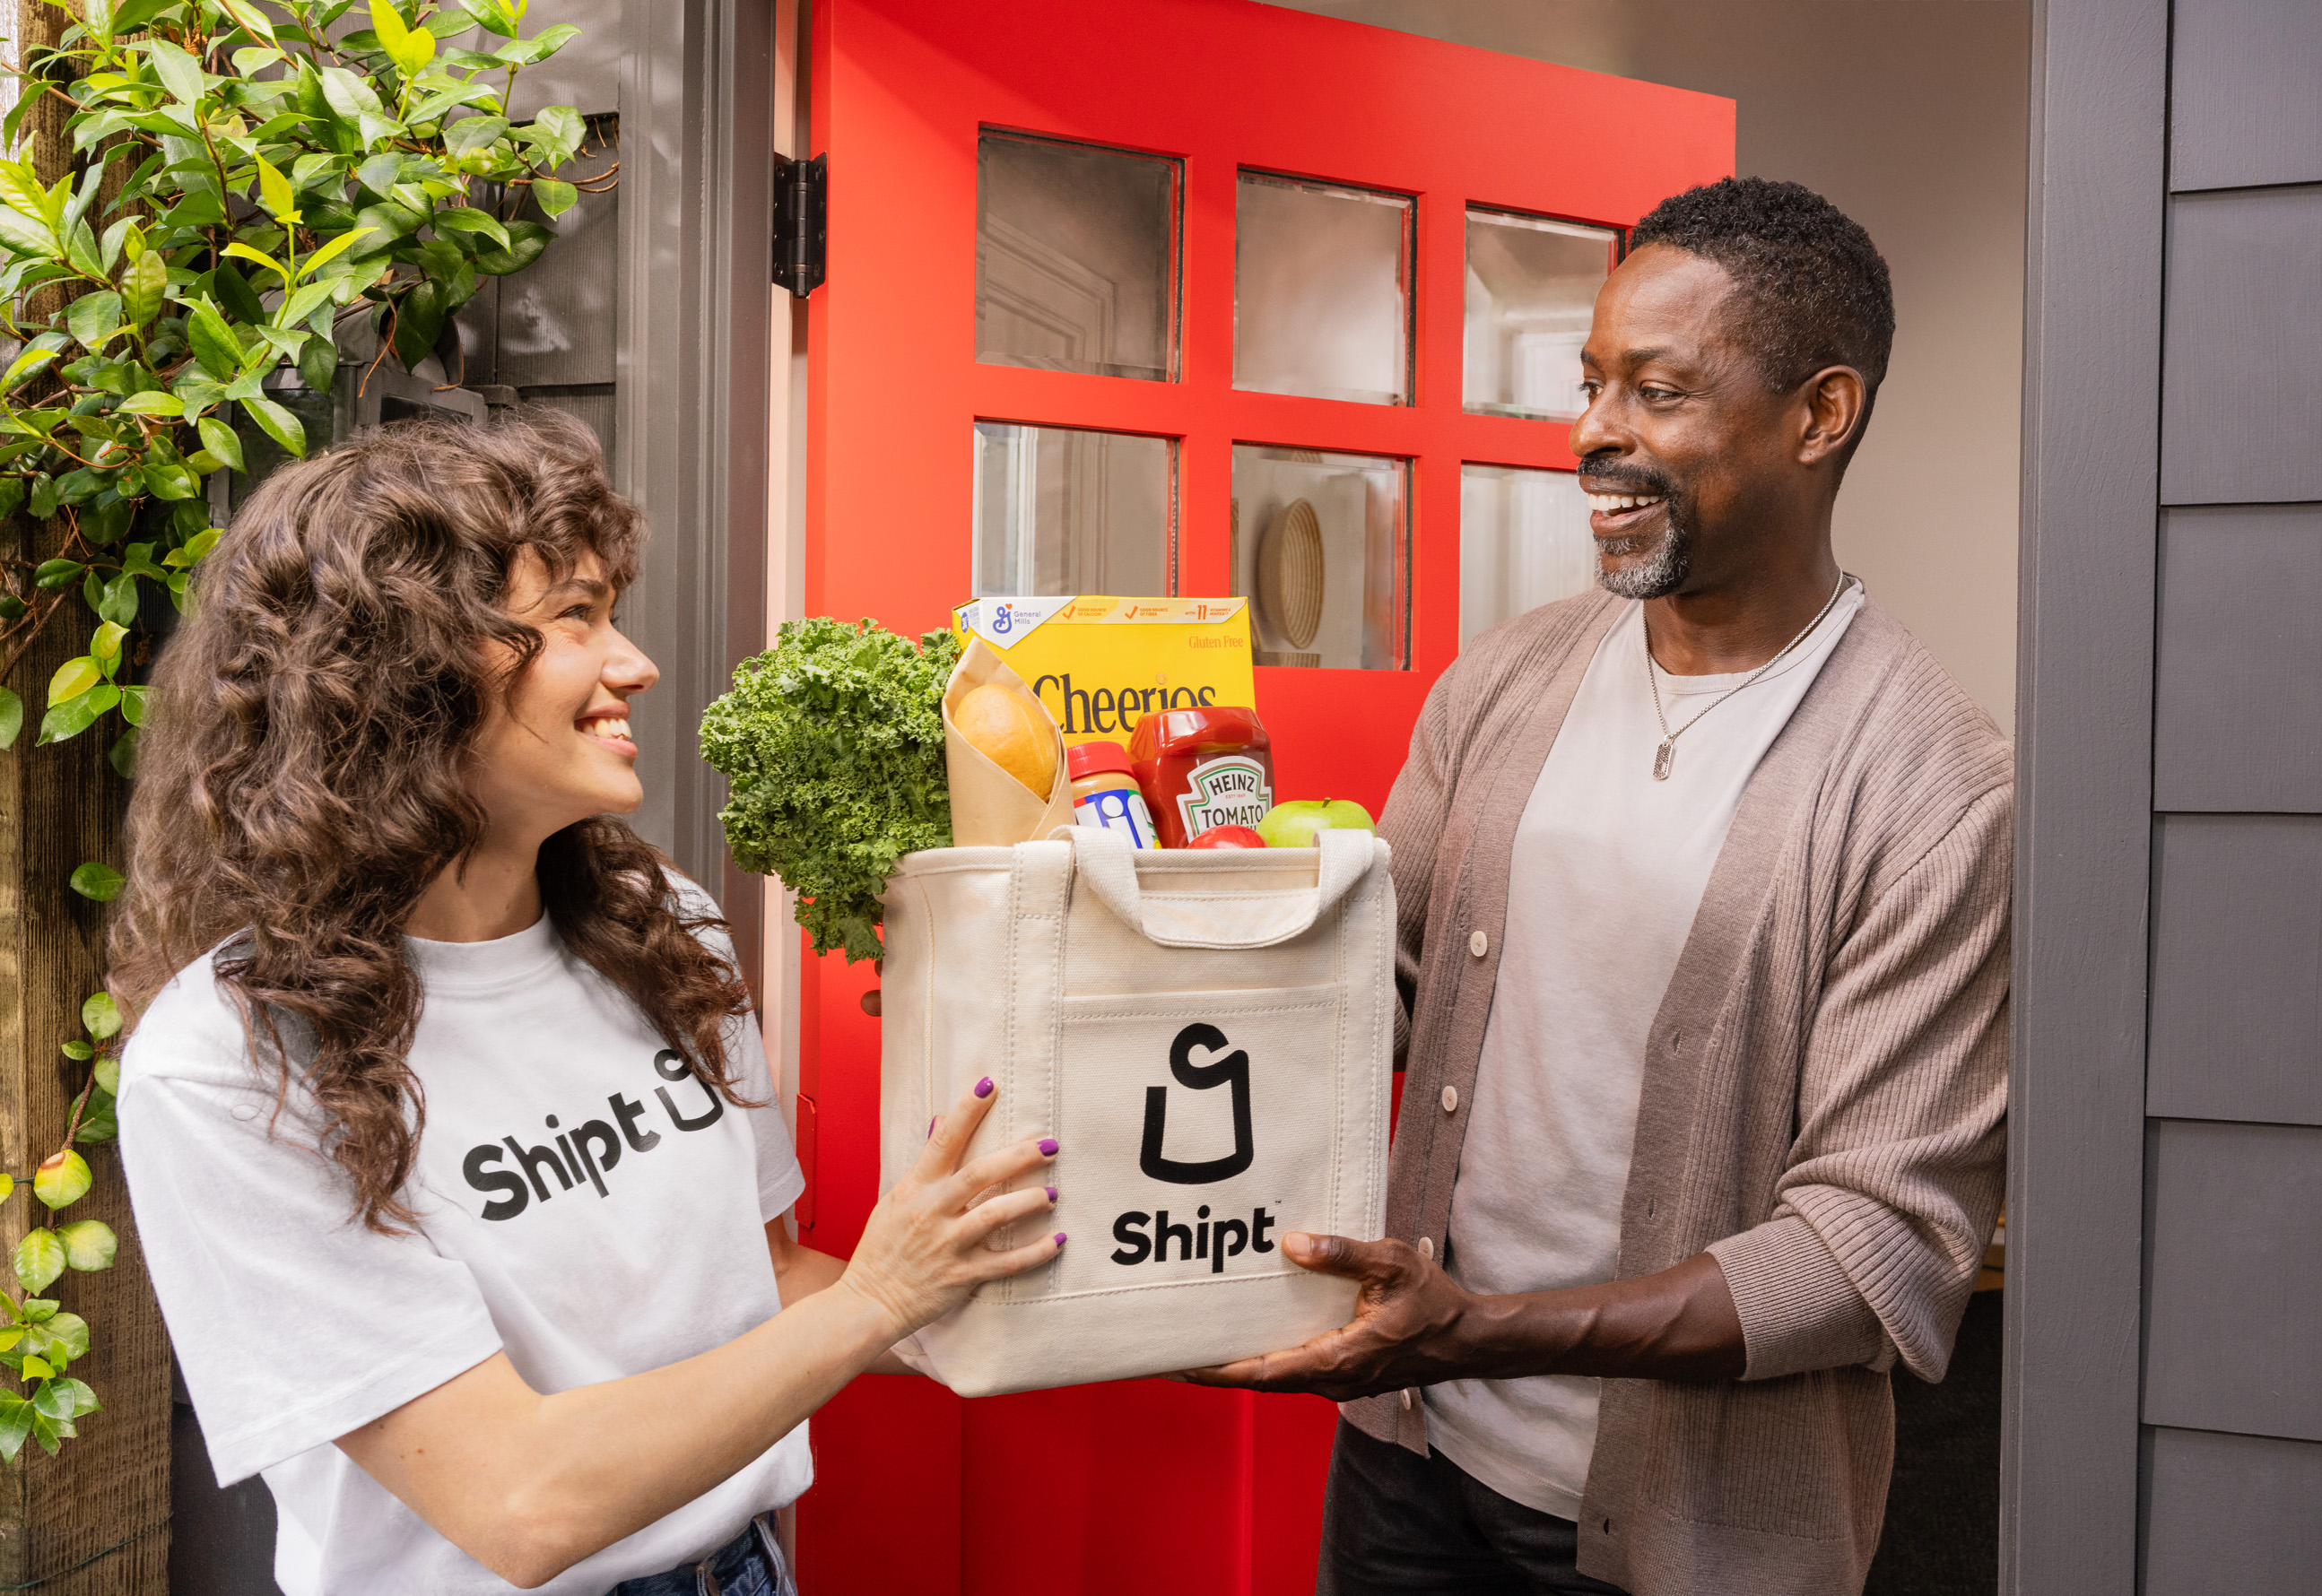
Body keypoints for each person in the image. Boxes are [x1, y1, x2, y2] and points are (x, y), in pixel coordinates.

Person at [1190, 178, 2011, 1596]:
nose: (1593, 435)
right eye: (1590, 384)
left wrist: (1485, 1329)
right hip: (1407, 1460)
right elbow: (1350, 993)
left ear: (1823, 415)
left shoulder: (1935, 789)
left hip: (1699, 1531)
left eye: (1659, 391)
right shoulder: (1504, 682)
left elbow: (1875, 1245)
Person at [111, 412, 1061, 1595]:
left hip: (742, 1571)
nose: (635, 663)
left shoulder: (659, 923)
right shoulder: (230, 1061)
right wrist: (880, 1294)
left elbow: (757, 1286)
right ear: (402, 667)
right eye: (574, 617)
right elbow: (520, 1501)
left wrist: (1147, 1301)